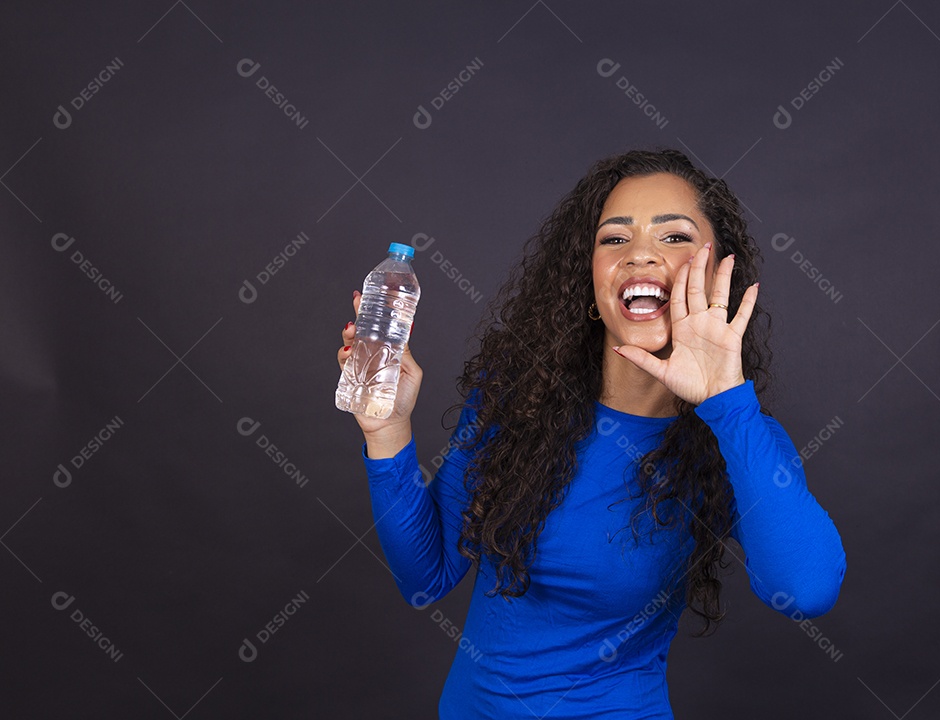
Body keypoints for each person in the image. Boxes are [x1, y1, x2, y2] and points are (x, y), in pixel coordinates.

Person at [336, 148, 846, 718]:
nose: (641, 255)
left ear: (716, 268)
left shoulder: (737, 438)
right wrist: (387, 431)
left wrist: (727, 404)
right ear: (590, 274)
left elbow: (807, 590)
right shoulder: (517, 397)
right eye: (615, 239)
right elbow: (425, 578)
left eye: (674, 238)